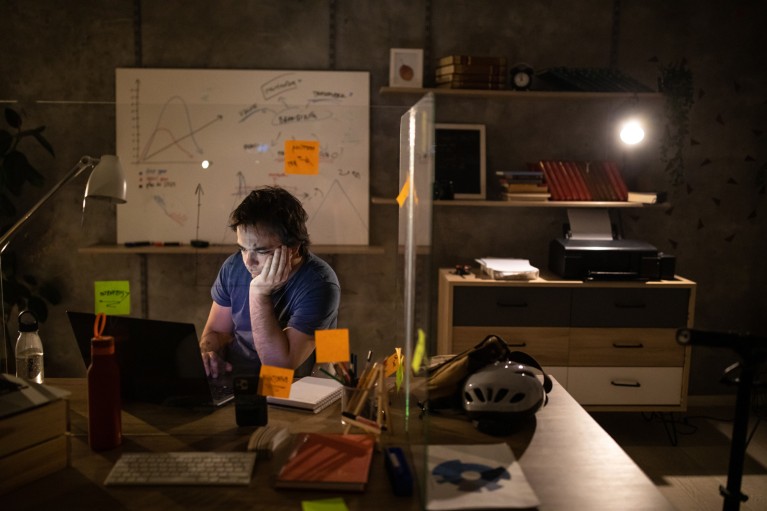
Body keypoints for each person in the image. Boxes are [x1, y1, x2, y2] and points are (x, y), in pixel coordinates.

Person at [200, 186, 340, 380]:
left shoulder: (320, 283)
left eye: (262, 251)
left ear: (293, 247)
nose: (248, 261)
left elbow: (279, 367)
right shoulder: (233, 266)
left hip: (291, 390)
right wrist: (208, 353)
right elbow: (216, 331)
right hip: (236, 379)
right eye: (243, 248)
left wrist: (258, 293)